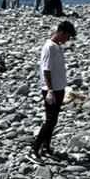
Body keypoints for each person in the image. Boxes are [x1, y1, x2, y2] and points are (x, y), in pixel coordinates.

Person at [33, 20, 73, 159]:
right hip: (52, 90)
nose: (68, 40)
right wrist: (49, 90)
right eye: (67, 36)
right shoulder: (49, 47)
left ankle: (46, 147)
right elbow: (46, 69)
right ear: (61, 32)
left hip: (59, 88)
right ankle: (34, 149)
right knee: (50, 120)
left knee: (54, 120)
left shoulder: (57, 46)